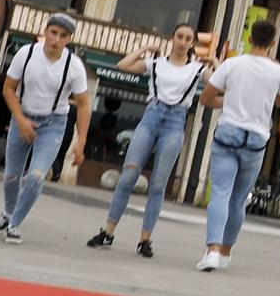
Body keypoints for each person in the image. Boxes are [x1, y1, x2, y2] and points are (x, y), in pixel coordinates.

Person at [85, 23, 212, 259]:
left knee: (157, 185)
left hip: (175, 122)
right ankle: (107, 232)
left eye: (187, 39)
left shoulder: (196, 69)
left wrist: (215, 62)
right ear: (172, 38)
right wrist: (144, 47)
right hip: (151, 118)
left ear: (192, 43)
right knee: (127, 178)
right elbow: (122, 65)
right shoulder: (155, 64)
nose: (182, 42)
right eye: (179, 37)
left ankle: (145, 240)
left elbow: (218, 84)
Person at [196, 19, 280, 272]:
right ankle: (226, 252)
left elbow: (206, 98)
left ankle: (212, 251)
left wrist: (228, 101)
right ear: (272, 43)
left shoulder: (231, 64)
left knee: (220, 193)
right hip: (257, 139)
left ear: (250, 39)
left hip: (228, 132)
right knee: (238, 200)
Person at [0, 13, 90, 244]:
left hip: (53, 123)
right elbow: (8, 89)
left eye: (63, 35)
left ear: (69, 39)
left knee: (36, 177)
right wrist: (21, 120)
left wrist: (81, 141)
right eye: (53, 32)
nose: (56, 39)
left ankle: (14, 224)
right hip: (22, 116)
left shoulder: (74, 66)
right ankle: (7, 213)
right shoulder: (26, 54)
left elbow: (84, 104)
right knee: (11, 176)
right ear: (46, 31)